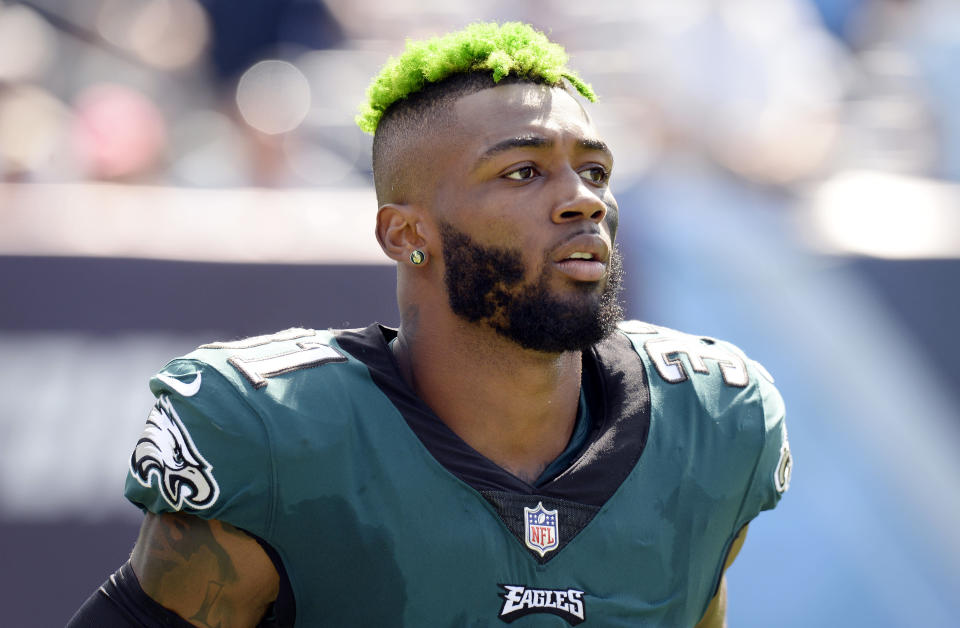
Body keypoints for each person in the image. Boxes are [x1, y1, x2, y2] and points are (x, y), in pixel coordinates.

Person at [68, 22, 791, 628]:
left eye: (594, 172)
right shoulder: (278, 440)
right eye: (522, 173)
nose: (584, 201)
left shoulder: (711, 421)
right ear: (407, 234)